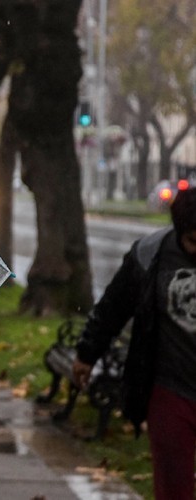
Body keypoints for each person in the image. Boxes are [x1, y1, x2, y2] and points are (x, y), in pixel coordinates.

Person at [72, 187, 196, 500]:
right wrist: (87, 353)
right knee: (173, 485)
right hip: (171, 388)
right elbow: (114, 306)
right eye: (193, 242)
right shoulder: (151, 254)